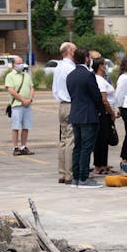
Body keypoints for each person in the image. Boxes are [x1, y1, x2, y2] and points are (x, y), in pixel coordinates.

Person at [66, 47, 103, 188]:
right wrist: (100, 111)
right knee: (86, 148)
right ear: (86, 58)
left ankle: (76, 177)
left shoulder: (71, 75)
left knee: (78, 147)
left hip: (75, 114)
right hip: (88, 115)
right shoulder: (88, 75)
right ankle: (83, 178)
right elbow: (96, 96)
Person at [50, 41, 76, 183]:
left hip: (62, 104)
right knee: (71, 140)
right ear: (70, 51)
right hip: (71, 104)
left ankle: (61, 172)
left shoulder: (59, 67)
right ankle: (69, 173)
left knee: (63, 139)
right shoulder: (70, 68)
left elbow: (54, 88)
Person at [4, 60, 35, 156]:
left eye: (21, 62)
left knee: (26, 126)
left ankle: (23, 146)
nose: (21, 65)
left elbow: (32, 88)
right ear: (13, 65)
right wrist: (23, 100)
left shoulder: (26, 75)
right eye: (18, 63)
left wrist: (29, 99)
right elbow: (11, 90)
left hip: (27, 105)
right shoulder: (10, 76)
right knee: (15, 127)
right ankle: (15, 147)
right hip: (17, 105)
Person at [91, 56, 116, 174]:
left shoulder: (102, 79)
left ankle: (103, 163)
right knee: (100, 139)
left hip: (106, 113)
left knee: (105, 139)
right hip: (104, 113)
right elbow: (104, 100)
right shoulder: (99, 80)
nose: (106, 67)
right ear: (100, 66)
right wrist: (111, 113)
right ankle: (98, 164)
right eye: (104, 65)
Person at [112, 54, 127, 166]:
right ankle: (125, 157)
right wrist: (119, 107)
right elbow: (119, 94)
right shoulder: (124, 77)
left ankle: (126, 156)